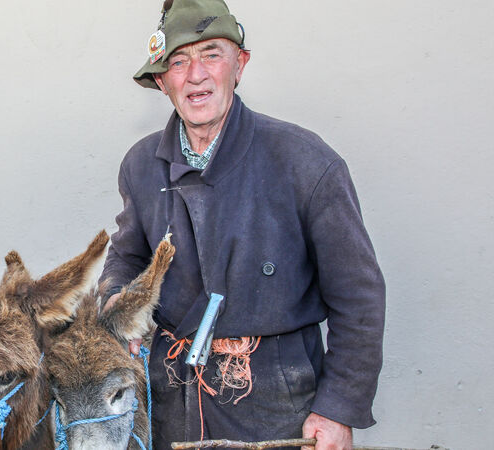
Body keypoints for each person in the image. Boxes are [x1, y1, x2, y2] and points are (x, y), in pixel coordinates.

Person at [100, 1, 385, 449]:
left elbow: (359, 298)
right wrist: (118, 300)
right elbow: (126, 256)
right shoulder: (140, 165)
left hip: (277, 409)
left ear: (240, 65)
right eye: (178, 61)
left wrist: (337, 409)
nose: (195, 75)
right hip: (170, 405)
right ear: (162, 81)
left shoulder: (306, 162)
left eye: (211, 54)